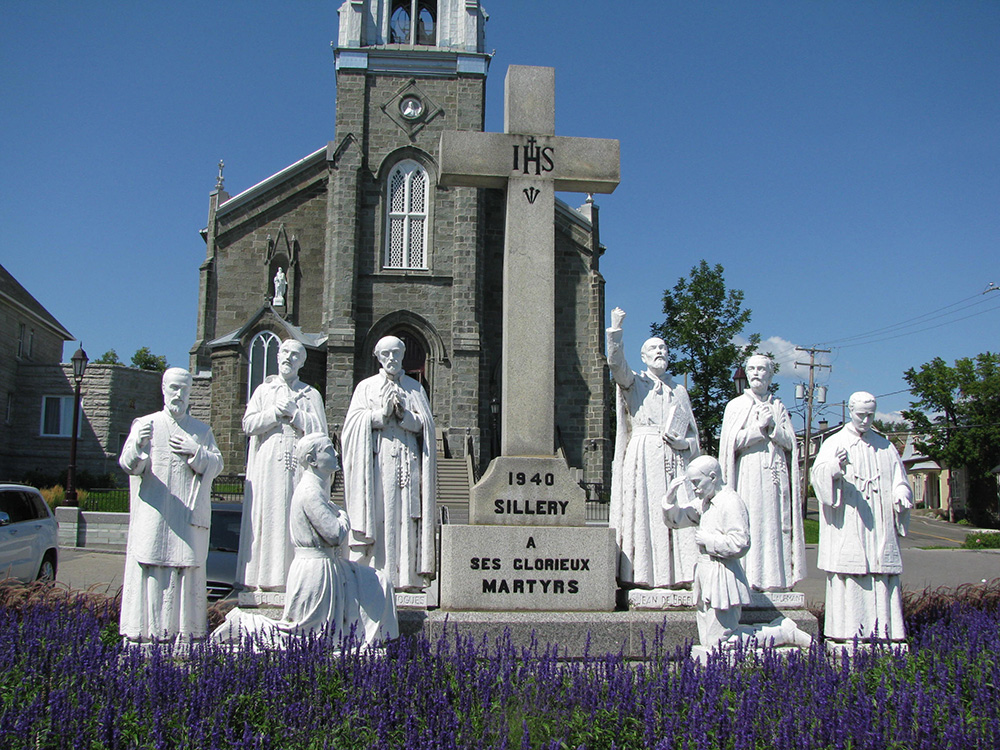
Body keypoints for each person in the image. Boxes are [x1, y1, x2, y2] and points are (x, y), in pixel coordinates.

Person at [214, 433, 398, 648]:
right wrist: (343, 517)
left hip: (325, 566)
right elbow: (335, 534)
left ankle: (366, 639)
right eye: (329, 449)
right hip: (315, 571)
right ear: (312, 460)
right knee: (305, 635)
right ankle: (243, 624)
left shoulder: (317, 490)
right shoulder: (310, 492)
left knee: (375, 584)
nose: (336, 453)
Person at [119, 368, 223, 646]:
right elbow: (130, 466)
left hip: (186, 517)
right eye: (174, 388)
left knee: (186, 569)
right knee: (153, 567)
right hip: (155, 514)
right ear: (163, 389)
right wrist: (139, 445)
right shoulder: (146, 424)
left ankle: (184, 634)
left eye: (184, 389)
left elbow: (217, 465)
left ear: (190, 393)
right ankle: (150, 634)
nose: (179, 394)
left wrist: (195, 451)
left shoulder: (201, 431)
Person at [664, 456, 811, 653]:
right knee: (709, 642)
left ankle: (781, 632)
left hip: (722, 575)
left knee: (722, 642)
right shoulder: (705, 502)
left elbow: (741, 543)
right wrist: (670, 499)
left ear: (713, 477)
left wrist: (710, 542)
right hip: (705, 575)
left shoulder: (730, 502)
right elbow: (677, 520)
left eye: (697, 483)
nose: (695, 489)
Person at [607, 306, 700, 588]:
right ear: (644, 357)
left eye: (663, 348)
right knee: (645, 515)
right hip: (645, 457)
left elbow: (694, 436)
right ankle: (643, 576)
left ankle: (680, 576)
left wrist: (685, 443)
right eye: (653, 349)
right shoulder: (635, 382)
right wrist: (616, 327)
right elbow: (615, 363)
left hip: (675, 459)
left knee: (676, 513)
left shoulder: (679, 390)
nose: (659, 351)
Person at [810, 391, 912, 645]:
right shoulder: (835, 442)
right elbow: (818, 476)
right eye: (860, 415)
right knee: (851, 574)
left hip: (879, 525)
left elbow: (900, 479)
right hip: (850, 521)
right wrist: (834, 468)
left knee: (881, 574)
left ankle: (888, 634)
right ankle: (846, 633)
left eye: (870, 415)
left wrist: (901, 494)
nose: (865, 421)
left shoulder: (885, 446)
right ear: (850, 410)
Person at [342, 335, 436, 591]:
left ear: (403, 354)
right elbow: (351, 427)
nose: (392, 359)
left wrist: (405, 416)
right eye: (386, 354)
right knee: (381, 513)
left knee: (407, 516)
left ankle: (406, 579)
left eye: (396, 353)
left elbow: (425, 426)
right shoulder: (366, 387)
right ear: (377, 356)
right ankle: (374, 577)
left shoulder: (415, 388)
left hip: (409, 460)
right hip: (378, 461)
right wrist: (379, 415)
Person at [236, 339, 327, 592]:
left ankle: (295, 580)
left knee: (295, 518)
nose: (289, 357)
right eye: (285, 352)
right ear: (278, 356)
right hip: (269, 465)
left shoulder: (310, 394)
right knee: (270, 515)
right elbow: (249, 424)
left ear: (302, 362)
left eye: (295, 355)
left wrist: (296, 414)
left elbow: (320, 431)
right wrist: (275, 413)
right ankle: (265, 578)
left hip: (299, 467)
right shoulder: (263, 392)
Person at [719, 354, 805, 591]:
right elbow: (730, 444)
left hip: (776, 474)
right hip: (750, 471)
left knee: (775, 524)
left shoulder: (779, 407)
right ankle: (749, 578)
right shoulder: (736, 406)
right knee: (753, 521)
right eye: (752, 369)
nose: (756, 373)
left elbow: (791, 443)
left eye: (761, 369)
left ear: (770, 374)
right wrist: (757, 430)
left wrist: (773, 429)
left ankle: (776, 580)